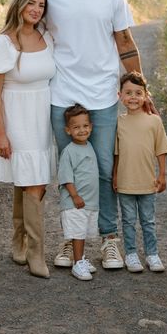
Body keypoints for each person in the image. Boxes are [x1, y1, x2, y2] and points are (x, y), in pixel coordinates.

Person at [44, 0, 156, 270]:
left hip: (103, 96)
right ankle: (70, 239)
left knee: (107, 169)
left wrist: (140, 92)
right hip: (63, 95)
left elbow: (125, 43)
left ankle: (109, 240)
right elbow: (29, 36)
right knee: (70, 170)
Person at [0, 0, 55, 279]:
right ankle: (36, 254)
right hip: (17, 116)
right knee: (33, 181)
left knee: (32, 181)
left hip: (44, 114)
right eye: (31, 4)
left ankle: (19, 241)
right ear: (19, 5)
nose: (36, 10)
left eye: (41, 5)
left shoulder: (47, 36)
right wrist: (1, 134)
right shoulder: (3, 43)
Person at [112, 71, 167, 273]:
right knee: (128, 221)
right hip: (126, 182)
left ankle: (152, 254)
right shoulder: (119, 122)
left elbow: (161, 149)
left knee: (148, 220)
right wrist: (114, 176)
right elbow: (117, 153)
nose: (133, 97)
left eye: (138, 93)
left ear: (146, 95)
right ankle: (130, 254)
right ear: (119, 96)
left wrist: (162, 175)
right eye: (128, 93)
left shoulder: (154, 121)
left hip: (147, 181)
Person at [57, 104, 99, 281]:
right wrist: (74, 195)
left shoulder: (89, 145)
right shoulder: (69, 151)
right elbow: (66, 177)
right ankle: (77, 263)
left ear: (91, 126)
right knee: (78, 234)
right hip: (75, 203)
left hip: (89, 201)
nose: (82, 130)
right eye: (76, 127)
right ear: (68, 130)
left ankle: (81, 258)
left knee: (83, 232)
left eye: (85, 126)